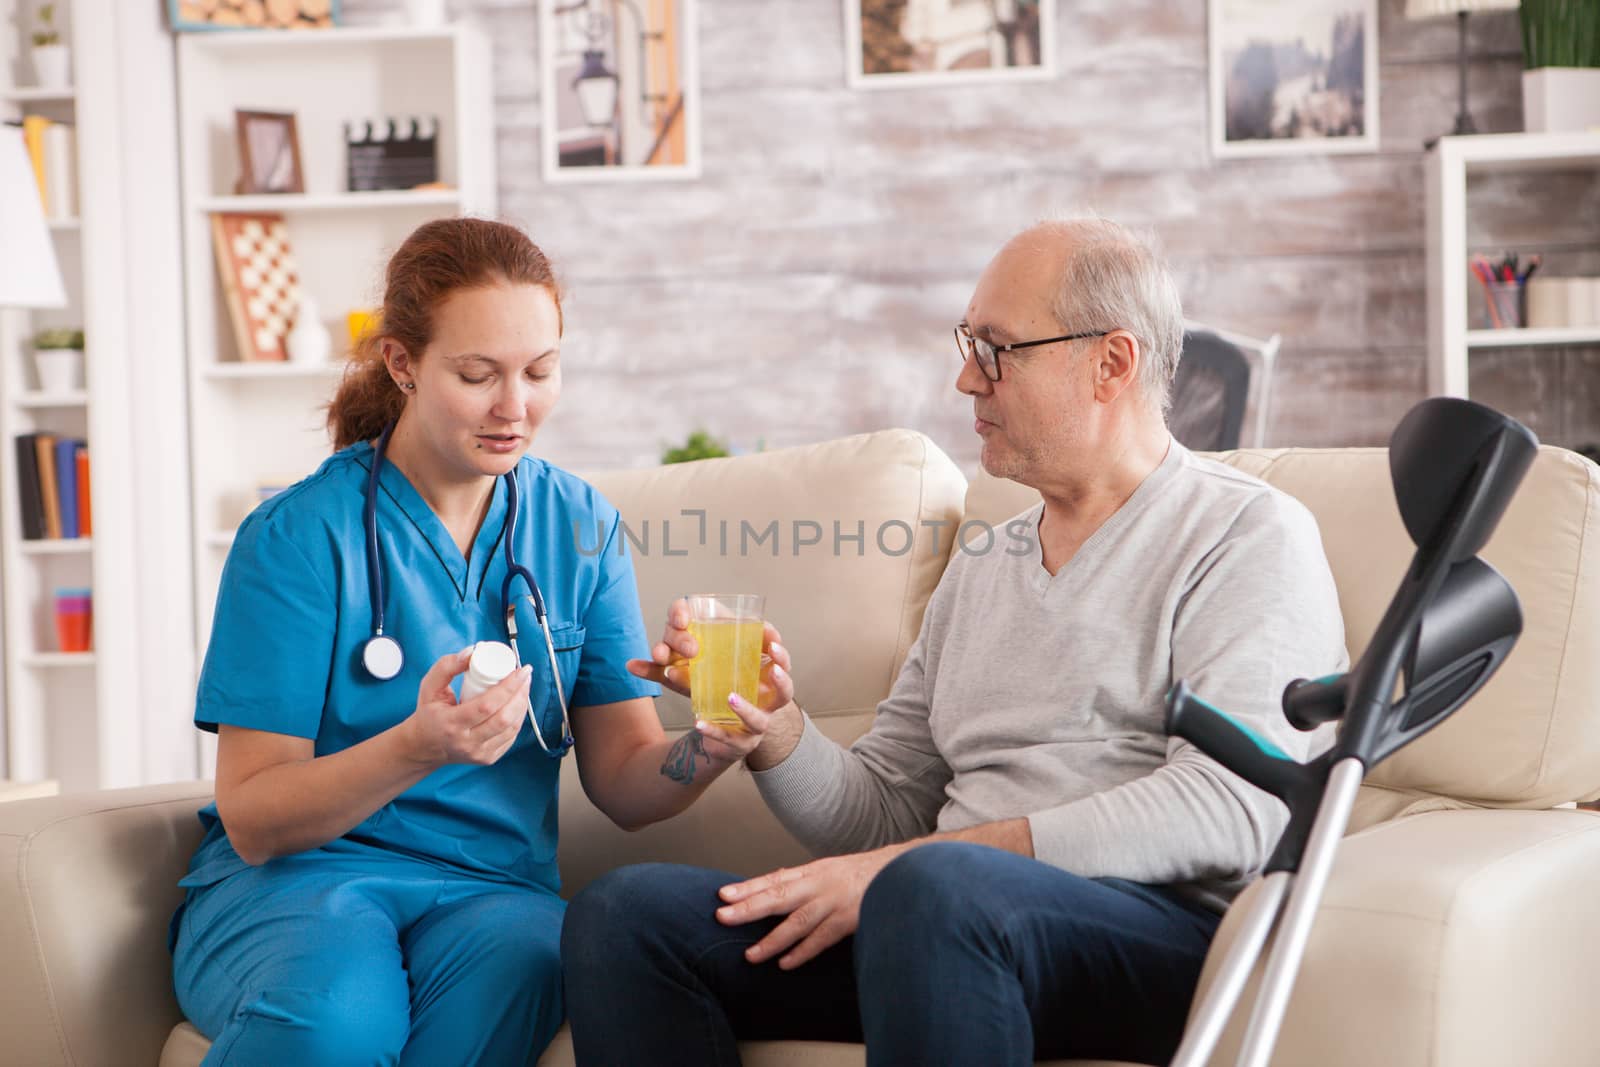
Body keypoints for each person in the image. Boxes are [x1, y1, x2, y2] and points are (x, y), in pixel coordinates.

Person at [561, 217, 1348, 1066]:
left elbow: (1234, 807)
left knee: (931, 889)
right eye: (969, 342)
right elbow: (887, 811)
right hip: (939, 923)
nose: (967, 378)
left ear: (1110, 364)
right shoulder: (984, 569)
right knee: (627, 917)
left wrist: (920, 864)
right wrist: (776, 730)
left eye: (998, 348)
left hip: (1157, 932)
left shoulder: (1247, 534)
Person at [169, 218, 790, 1066]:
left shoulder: (579, 528)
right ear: (402, 363)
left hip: (493, 894)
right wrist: (417, 748)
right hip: (300, 882)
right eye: (477, 374)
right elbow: (252, 818)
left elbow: (624, 781)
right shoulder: (299, 537)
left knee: (502, 996)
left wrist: (713, 744)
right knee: (337, 1025)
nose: (515, 406)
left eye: (541, 371)